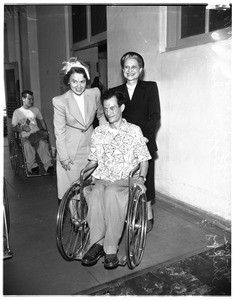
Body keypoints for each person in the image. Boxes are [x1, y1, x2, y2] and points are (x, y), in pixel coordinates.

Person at [81, 89, 151, 269]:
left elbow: (144, 160)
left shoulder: (134, 131)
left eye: (113, 108)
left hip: (124, 180)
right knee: (96, 192)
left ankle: (110, 249)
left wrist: (142, 178)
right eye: (106, 109)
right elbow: (93, 160)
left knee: (112, 193)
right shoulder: (99, 132)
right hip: (103, 178)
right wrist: (82, 175)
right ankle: (96, 243)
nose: (109, 112)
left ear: (122, 107)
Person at [111, 51, 161, 233]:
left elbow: (154, 116)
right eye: (126, 67)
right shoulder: (116, 92)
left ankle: (147, 211)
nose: (130, 70)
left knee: (146, 178)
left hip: (144, 141)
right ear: (122, 70)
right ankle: (128, 212)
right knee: (125, 179)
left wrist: (143, 137)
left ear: (140, 69)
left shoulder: (150, 87)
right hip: (124, 145)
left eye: (134, 67)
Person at [52, 57, 106, 202]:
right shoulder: (60, 101)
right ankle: (75, 220)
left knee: (92, 187)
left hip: (91, 146)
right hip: (70, 149)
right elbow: (59, 131)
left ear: (87, 80)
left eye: (82, 81)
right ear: (68, 81)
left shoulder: (94, 93)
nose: (78, 86)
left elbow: (101, 115)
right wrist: (63, 156)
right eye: (74, 81)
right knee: (71, 188)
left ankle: (90, 218)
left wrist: (104, 138)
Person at [11, 90, 54, 175]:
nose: (31, 101)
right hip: (25, 136)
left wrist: (46, 131)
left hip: (36, 134)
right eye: (29, 99)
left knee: (43, 144)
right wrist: (22, 128)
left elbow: (42, 121)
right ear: (23, 99)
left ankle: (48, 166)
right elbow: (13, 127)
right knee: (27, 145)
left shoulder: (35, 110)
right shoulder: (17, 112)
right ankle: (32, 166)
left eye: (32, 99)